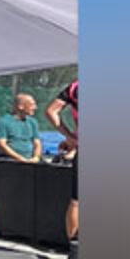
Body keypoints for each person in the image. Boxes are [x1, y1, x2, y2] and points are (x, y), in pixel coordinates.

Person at [46, 80, 79, 240]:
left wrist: (70, 137)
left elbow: (51, 111)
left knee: (77, 200)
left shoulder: (75, 87)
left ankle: (74, 253)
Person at [0, 93, 43, 163]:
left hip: (30, 160)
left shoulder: (32, 122)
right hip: (9, 162)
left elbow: (37, 143)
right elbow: (2, 144)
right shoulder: (3, 122)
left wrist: (36, 157)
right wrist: (20, 158)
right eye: (32, 105)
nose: (35, 108)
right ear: (21, 106)